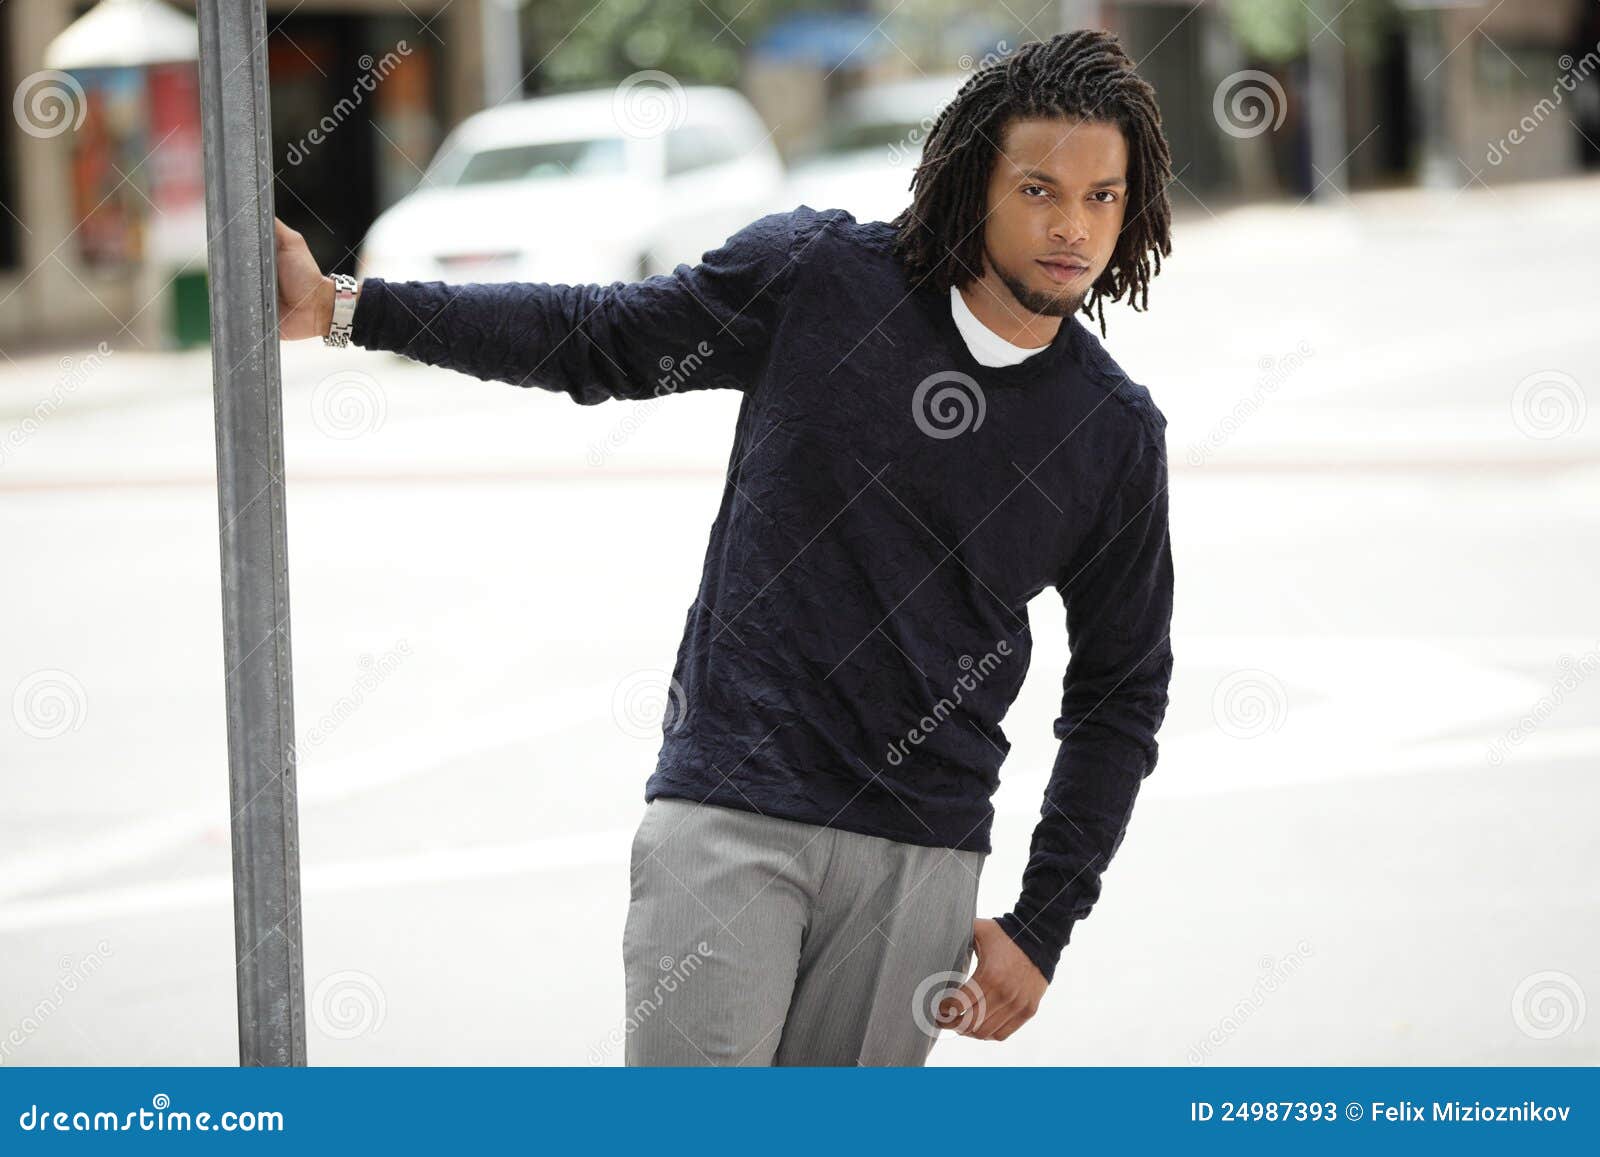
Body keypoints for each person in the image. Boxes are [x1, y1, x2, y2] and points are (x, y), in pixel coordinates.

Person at [276, 28, 1176, 1066]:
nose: (1072, 225)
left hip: (921, 860)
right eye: (1038, 189)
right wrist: (345, 305)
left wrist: (1042, 922)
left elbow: (1120, 691)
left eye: (1101, 196)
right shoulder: (819, 277)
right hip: (731, 812)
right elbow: (601, 336)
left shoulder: (1110, 433)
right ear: (976, 180)